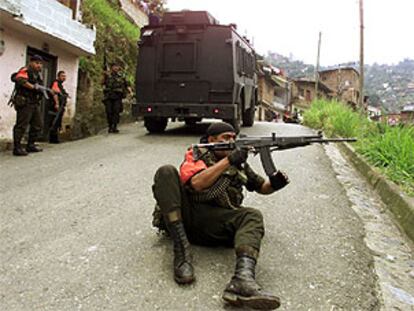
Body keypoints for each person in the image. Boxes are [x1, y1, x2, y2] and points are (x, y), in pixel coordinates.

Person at [152, 122, 290, 310]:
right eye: (225, 138)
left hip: (214, 225)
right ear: (212, 140)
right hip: (186, 219)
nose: (231, 141)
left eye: (233, 138)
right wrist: (228, 161)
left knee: (253, 215)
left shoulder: (239, 164)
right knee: (166, 172)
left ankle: (242, 280)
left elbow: (261, 187)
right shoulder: (197, 154)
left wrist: (274, 184)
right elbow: (198, 184)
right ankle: (182, 253)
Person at [11, 54, 46, 156]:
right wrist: (33, 87)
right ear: (31, 62)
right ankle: (17, 148)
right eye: (37, 63)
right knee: (21, 125)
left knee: (38, 125)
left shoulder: (38, 74)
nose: (39, 65)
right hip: (25, 102)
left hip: (34, 103)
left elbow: (39, 86)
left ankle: (30, 145)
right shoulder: (25, 70)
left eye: (40, 63)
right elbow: (20, 80)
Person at [102, 63, 129, 133]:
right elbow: (102, 83)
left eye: (117, 66)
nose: (116, 68)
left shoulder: (121, 77)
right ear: (111, 68)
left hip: (117, 97)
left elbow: (126, 85)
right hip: (108, 96)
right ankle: (110, 125)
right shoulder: (107, 76)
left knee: (116, 111)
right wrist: (103, 75)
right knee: (109, 112)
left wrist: (130, 92)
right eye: (114, 67)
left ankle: (115, 126)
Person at [48, 71, 69, 144]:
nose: (64, 78)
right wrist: (56, 103)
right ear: (58, 76)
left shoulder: (60, 85)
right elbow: (54, 93)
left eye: (65, 76)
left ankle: (55, 138)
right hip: (56, 107)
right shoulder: (56, 83)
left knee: (57, 122)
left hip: (60, 106)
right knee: (54, 121)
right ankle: (53, 139)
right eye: (62, 76)